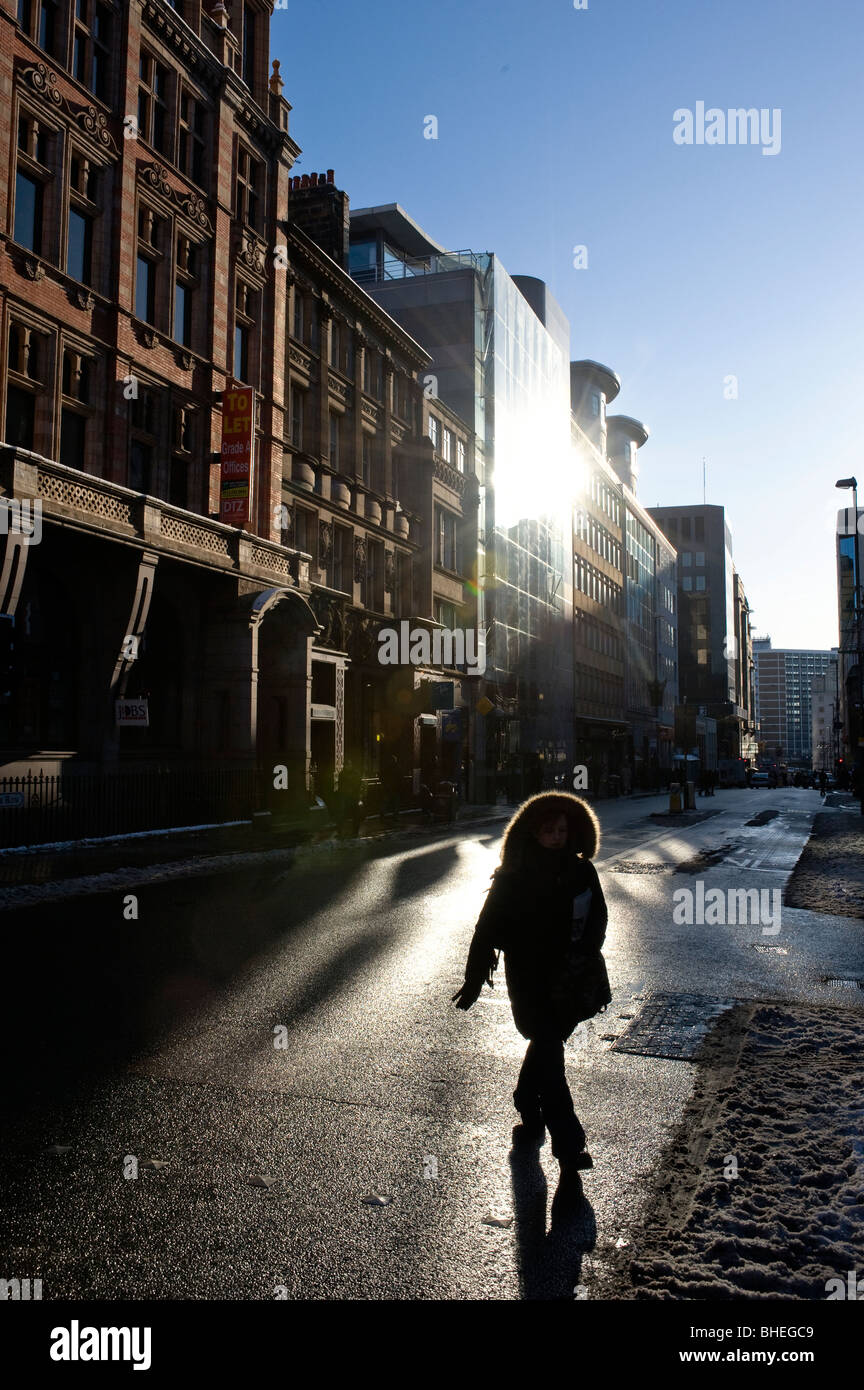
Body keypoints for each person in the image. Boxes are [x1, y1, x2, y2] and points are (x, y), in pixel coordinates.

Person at [451, 792, 608, 1178]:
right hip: (528, 975)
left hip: (570, 975)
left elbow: (598, 918)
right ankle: (569, 1145)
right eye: (548, 830)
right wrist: (474, 978)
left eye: (562, 830)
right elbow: (487, 927)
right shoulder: (515, 873)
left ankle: (526, 1100)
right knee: (549, 1047)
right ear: (532, 833)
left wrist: (585, 953)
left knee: (546, 1043)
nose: (556, 836)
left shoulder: (582, 871)